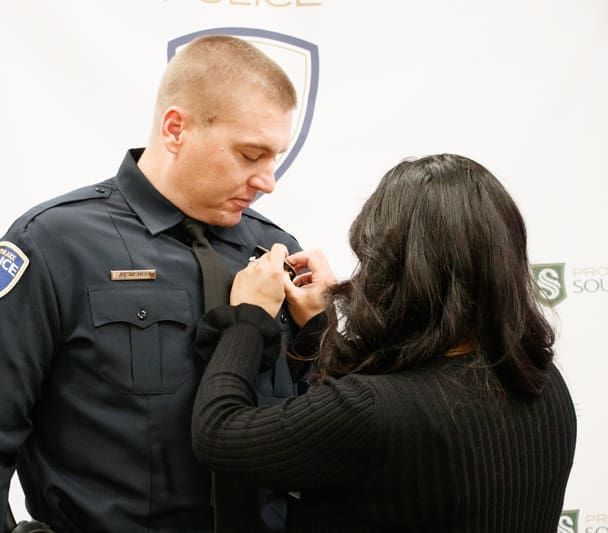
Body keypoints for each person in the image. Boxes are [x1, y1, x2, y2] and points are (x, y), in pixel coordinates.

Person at [0, 35, 305, 532]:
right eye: (250, 154)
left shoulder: (272, 252)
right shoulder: (54, 245)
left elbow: (309, 426)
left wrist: (318, 329)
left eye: (275, 158)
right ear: (176, 129)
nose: (268, 181)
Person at [191, 154, 577, 532]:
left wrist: (248, 318)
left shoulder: (374, 412)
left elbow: (219, 432)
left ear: (397, 271)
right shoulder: (545, 382)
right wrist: (320, 329)